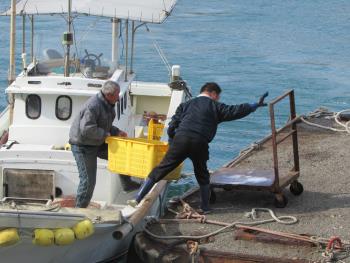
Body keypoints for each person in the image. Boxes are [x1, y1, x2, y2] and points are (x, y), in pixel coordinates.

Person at [129, 82, 268, 213]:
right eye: (217, 96)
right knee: (202, 174)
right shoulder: (215, 106)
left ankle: (137, 198)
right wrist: (253, 105)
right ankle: (205, 207)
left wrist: (172, 140)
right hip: (200, 142)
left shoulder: (186, 105)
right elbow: (235, 111)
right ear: (213, 93)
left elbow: (173, 125)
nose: (217, 99)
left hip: (181, 140)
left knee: (161, 169)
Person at [69, 80, 131, 208]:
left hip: (96, 142)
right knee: (88, 182)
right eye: (117, 95)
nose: (118, 98)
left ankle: (127, 184)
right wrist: (105, 135)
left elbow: (104, 124)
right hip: (83, 146)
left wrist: (116, 131)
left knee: (121, 154)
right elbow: (86, 129)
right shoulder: (93, 106)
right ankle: (79, 210)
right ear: (108, 95)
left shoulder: (107, 104)